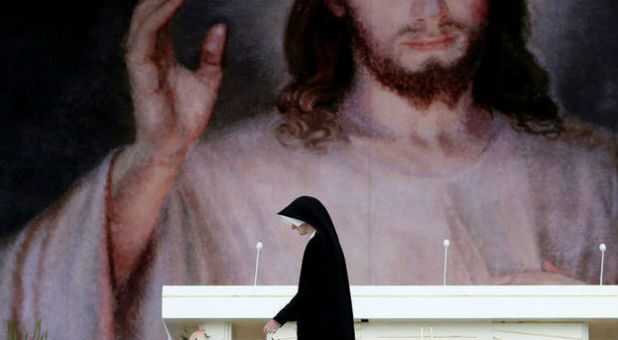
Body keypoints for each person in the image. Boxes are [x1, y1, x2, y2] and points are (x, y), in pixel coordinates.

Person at [1, 0, 616, 339]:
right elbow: (26, 314)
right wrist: (155, 159)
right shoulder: (223, 181)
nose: (430, 8)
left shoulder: (595, 175)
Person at [263, 196, 355, 340]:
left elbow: (311, 289)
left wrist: (279, 318)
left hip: (322, 330)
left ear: (308, 219)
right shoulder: (327, 243)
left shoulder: (319, 244)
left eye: (295, 223)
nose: (293, 227)